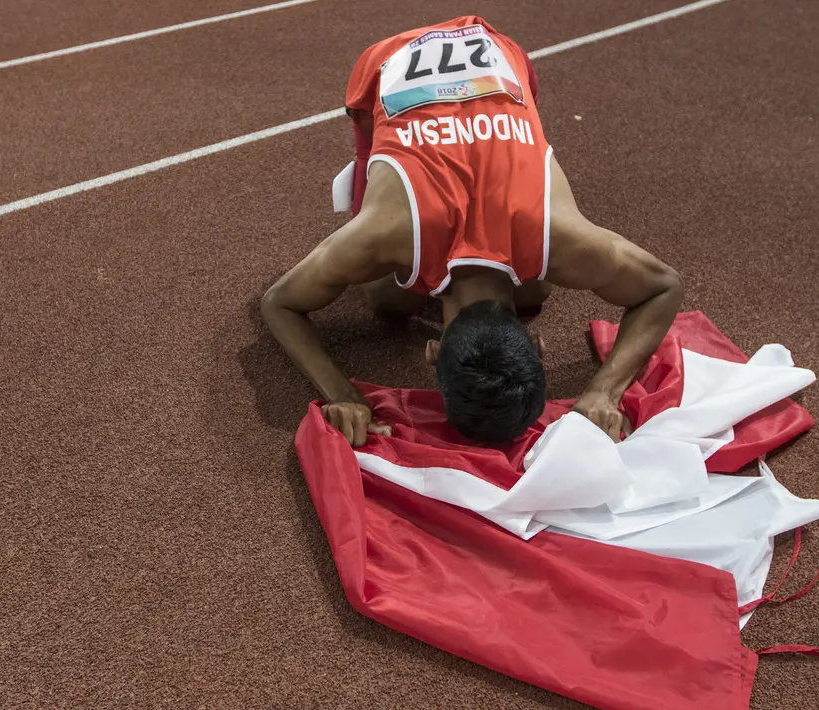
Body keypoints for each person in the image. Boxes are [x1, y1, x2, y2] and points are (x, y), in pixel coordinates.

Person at [261, 16, 682, 447]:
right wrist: (342, 394)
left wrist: (604, 392)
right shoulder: (382, 232)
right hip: (388, 62)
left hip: (503, 59)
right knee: (385, 301)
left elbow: (665, 287)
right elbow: (278, 303)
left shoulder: (561, 240)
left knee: (532, 290)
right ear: (431, 351)